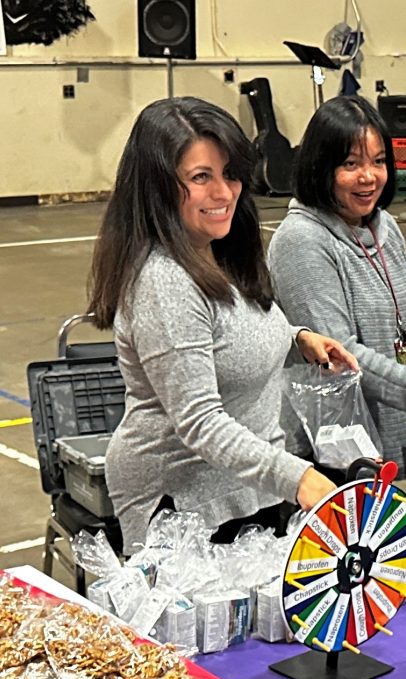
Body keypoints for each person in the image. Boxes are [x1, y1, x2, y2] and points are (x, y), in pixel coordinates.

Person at [87, 97, 357, 554]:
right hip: (186, 506)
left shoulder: (218, 248)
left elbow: (229, 339)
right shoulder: (163, 281)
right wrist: (300, 477)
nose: (224, 193)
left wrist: (297, 340)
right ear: (156, 188)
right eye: (200, 178)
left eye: (230, 174)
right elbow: (200, 421)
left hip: (249, 485)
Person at [268, 96, 406, 477]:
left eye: (379, 161)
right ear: (321, 167)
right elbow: (343, 357)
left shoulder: (384, 227)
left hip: (399, 435)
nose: (368, 176)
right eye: (351, 164)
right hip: (335, 454)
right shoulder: (301, 241)